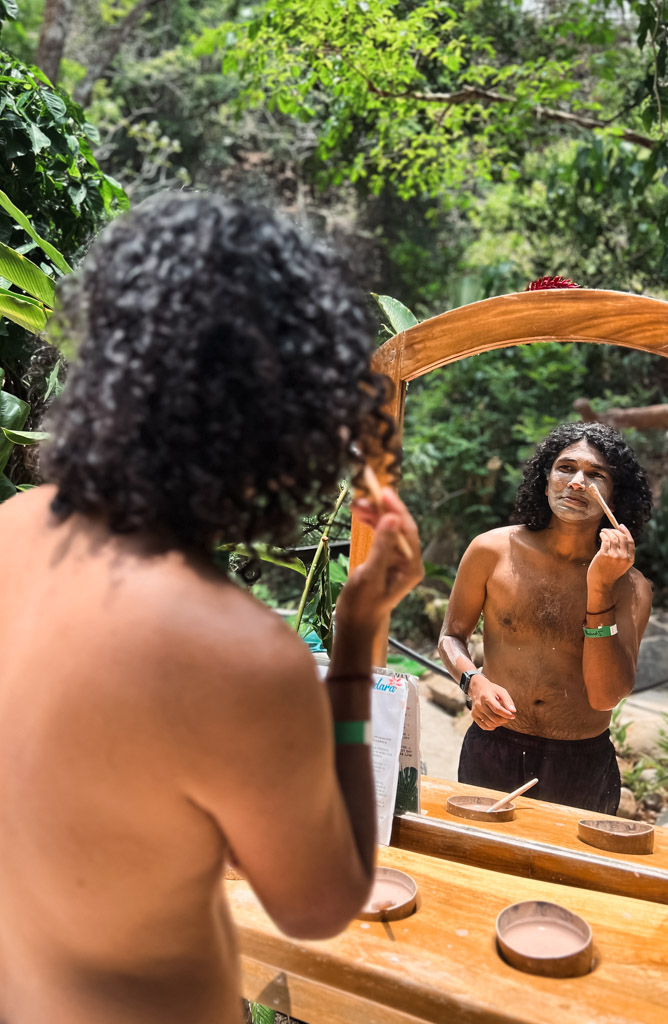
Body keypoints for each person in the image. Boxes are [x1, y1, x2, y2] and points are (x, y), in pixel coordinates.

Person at [0, 193, 423, 1024]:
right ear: (284, 419)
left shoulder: (13, 528)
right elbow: (319, 905)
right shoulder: (236, 655)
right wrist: (356, 639)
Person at [439, 422, 653, 814]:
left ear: (615, 497)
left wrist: (600, 586)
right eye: (565, 468)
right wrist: (473, 681)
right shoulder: (491, 550)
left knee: (570, 877)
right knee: (480, 869)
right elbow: (451, 636)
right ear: (545, 481)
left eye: (596, 475)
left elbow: (606, 695)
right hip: (494, 746)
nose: (577, 482)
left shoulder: (631, 586)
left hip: (581, 761)